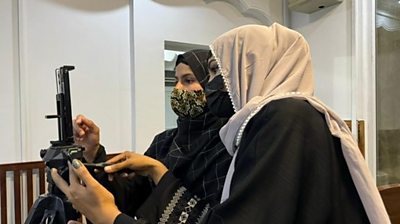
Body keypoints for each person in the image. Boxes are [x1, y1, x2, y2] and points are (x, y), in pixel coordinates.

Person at [52, 23, 390, 224]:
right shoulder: (169, 140)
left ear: (249, 68)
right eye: (177, 80)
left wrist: (116, 214)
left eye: (213, 74)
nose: (214, 86)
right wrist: (94, 156)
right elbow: (137, 196)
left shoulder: (274, 123)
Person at [61, 49, 232, 223]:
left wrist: (158, 172)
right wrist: (93, 151)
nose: (178, 89)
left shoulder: (227, 144)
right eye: (175, 81)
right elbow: (128, 201)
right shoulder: (163, 142)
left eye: (188, 80)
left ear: (210, 84)